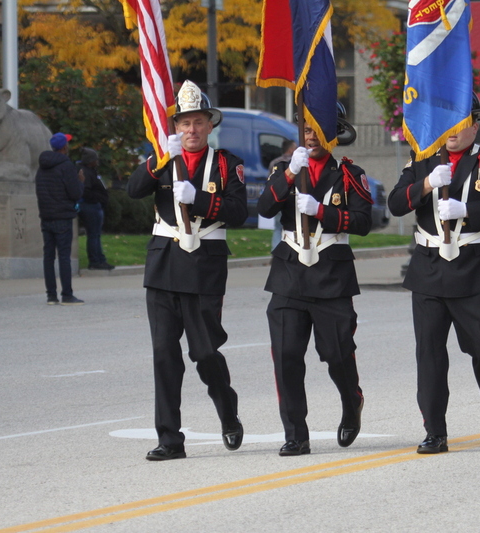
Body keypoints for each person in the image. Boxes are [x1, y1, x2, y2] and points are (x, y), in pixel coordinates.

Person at [387, 94, 480, 454]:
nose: (452, 131)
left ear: (474, 126)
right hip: (429, 268)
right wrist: (427, 184)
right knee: (429, 355)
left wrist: (469, 209)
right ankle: (435, 431)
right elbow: (396, 203)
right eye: (446, 121)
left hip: (476, 266)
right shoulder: (424, 157)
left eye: (460, 123)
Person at [127, 80, 248, 460]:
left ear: (210, 125)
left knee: (205, 353)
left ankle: (227, 409)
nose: (191, 130)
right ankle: (169, 439)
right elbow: (133, 190)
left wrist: (200, 199)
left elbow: (239, 212)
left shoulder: (228, 163)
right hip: (164, 264)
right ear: (175, 127)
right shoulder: (163, 158)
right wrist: (160, 158)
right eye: (183, 123)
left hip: (204, 267)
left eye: (197, 122)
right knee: (164, 354)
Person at [257, 105, 372, 456]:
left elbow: (363, 221)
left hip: (331, 274)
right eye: (306, 130)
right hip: (290, 271)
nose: (312, 137)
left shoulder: (349, 174)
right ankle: (296, 433)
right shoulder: (285, 168)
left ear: (334, 134)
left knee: (336, 354)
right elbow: (264, 208)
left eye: (320, 130)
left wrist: (322, 212)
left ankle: (352, 403)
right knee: (286, 355)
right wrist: (290, 175)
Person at [35, 132, 85, 306]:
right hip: (63, 216)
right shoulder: (66, 166)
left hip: (46, 216)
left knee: (48, 256)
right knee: (64, 256)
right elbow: (75, 193)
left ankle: (51, 296)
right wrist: (80, 181)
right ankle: (67, 295)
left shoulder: (42, 167)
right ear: (64, 147)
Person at [77, 147, 114, 270]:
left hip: (95, 206)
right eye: (95, 159)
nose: (97, 162)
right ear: (90, 160)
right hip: (90, 206)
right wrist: (98, 198)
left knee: (96, 234)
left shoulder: (91, 171)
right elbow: (86, 191)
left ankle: (100, 259)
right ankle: (95, 261)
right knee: (93, 234)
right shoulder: (85, 172)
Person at [267, 139, 298, 250]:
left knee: (278, 228)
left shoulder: (274, 163)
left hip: (276, 198)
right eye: (295, 148)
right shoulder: (294, 162)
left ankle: (275, 250)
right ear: (290, 150)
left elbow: (269, 182)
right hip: (291, 199)